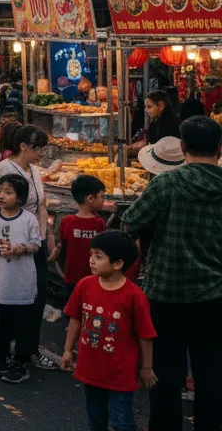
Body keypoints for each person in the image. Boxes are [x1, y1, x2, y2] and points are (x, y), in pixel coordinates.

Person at [121, 115, 222, 431]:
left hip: (166, 294)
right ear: (219, 149)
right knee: (212, 373)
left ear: (182, 146)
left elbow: (129, 223)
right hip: (216, 297)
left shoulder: (166, 184)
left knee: (165, 373)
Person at [61, 230, 157, 430]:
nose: (91, 261)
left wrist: (146, 367)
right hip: (90, 369)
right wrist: (68, 350)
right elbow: (76, 319)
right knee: (96, 420)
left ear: (118, 263)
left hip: (120, 375)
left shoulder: (134, 296)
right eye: (91, 255)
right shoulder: (84, 285)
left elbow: (145, 335)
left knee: (122, 422)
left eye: (98, 256)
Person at [0, 124, 61, 371]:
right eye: (38, 148)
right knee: (8, 299)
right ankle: (7, 350)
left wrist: (46, 236)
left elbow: (41, 206)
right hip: (10, 244)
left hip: (33, 242)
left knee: (35, 296)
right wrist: (3, 242)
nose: (42, 153)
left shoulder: (35, 172)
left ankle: (28, 349)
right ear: (23, 146)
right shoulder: (4, 170)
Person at [0, 174, 44, 385]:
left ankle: (20, 362)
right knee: (1, 325)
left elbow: (36, 244)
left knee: (23, 325)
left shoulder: (28, 219)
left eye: (8, 192)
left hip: (23, 282)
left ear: (20, 198)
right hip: (2, 283)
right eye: (0, 191)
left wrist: (18, 249)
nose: (1, 196)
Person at [51, 175, 111, 289]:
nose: (104, 200)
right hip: (94, 277)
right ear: (90, 199)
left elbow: (61, 245)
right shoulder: (99, 223)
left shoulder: (67, 221)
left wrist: (50, 259)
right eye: (101, 196)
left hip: (71, 277)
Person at [129, 90, 181, 157]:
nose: (146, 110)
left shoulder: (169, 123)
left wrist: (130, 149)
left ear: (161, 106)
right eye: (145, 107)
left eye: (149, 107)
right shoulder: (157, 121)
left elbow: (159, 149)